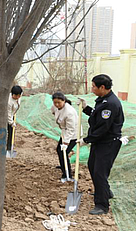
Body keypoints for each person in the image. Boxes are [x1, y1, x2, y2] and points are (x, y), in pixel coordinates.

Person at [78, 74, 125, 215]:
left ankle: (102, 205)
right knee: (92, 166)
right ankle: (105, 191)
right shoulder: (103, 100)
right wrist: (86, 108)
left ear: (102, 87)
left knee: (100, 172)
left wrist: (87, 140)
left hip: (108, 143)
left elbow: (103, 127)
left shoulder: (110, 104)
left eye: (93, 86)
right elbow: (97, 116)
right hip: (100, 142)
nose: (92, 89)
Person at [51, 92, 78, 182]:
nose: (57, 104)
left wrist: (66, 143)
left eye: (59, 102)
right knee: (60, 151)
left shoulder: (69, 112)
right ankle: (63, 165)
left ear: (64, 101)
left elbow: (71, 129)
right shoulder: (55, 107)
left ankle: (67, 174)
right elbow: (54, 111)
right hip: (64, 131)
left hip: (73, 134)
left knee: (63, 151)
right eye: (55, 102)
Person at [7, 85, 23, 152]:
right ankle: (2, 147)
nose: (17, 97)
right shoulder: (9, 101)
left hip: (12, 115)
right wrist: (11, 122)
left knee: (11, 133)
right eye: (16, 95)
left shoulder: (19, 97)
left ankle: (9, 148)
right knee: (5, 132)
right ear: (12, 94)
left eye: (19, 95)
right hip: (6, 117)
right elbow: (8, 114)